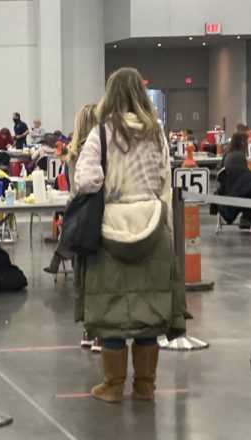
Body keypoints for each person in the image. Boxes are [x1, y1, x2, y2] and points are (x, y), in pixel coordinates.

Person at [74, 67, 186, 404]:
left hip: (111, 229)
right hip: (153, 228)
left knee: (111, 312)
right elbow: (166, 180)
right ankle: (145, 385)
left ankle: (112, 385)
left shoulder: (101, 134)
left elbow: (87, 181)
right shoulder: (157, 134)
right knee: (149, 313)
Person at [44, 104, 98, 274]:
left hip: (75, 203)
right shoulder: (91, 152)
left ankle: (59, 255)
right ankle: (60, 255)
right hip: (88, 205)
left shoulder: (73, 152)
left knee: (73, 218)